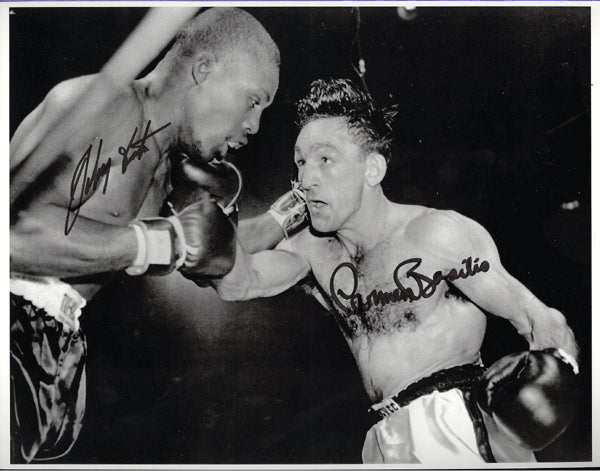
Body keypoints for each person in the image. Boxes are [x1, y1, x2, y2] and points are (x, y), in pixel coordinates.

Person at [211, 78, 581, 464]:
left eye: (325, 159)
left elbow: (539, 317)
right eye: (301, 162)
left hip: (455, 420)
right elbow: (237, 283)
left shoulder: (435, 234)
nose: (306, 178)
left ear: (372, 169)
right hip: (383, 436)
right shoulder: (312, 252)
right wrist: (226, 232)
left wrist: (554, 379)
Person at [9, 7, 300, 463]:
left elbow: (215, 250)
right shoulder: (108, 105)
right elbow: (14, 238)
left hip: (53, 348)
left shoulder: (163, 169)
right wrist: (161, 242)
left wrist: (296, 210)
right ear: (204, 69)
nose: (253, 126)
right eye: (253, 100)